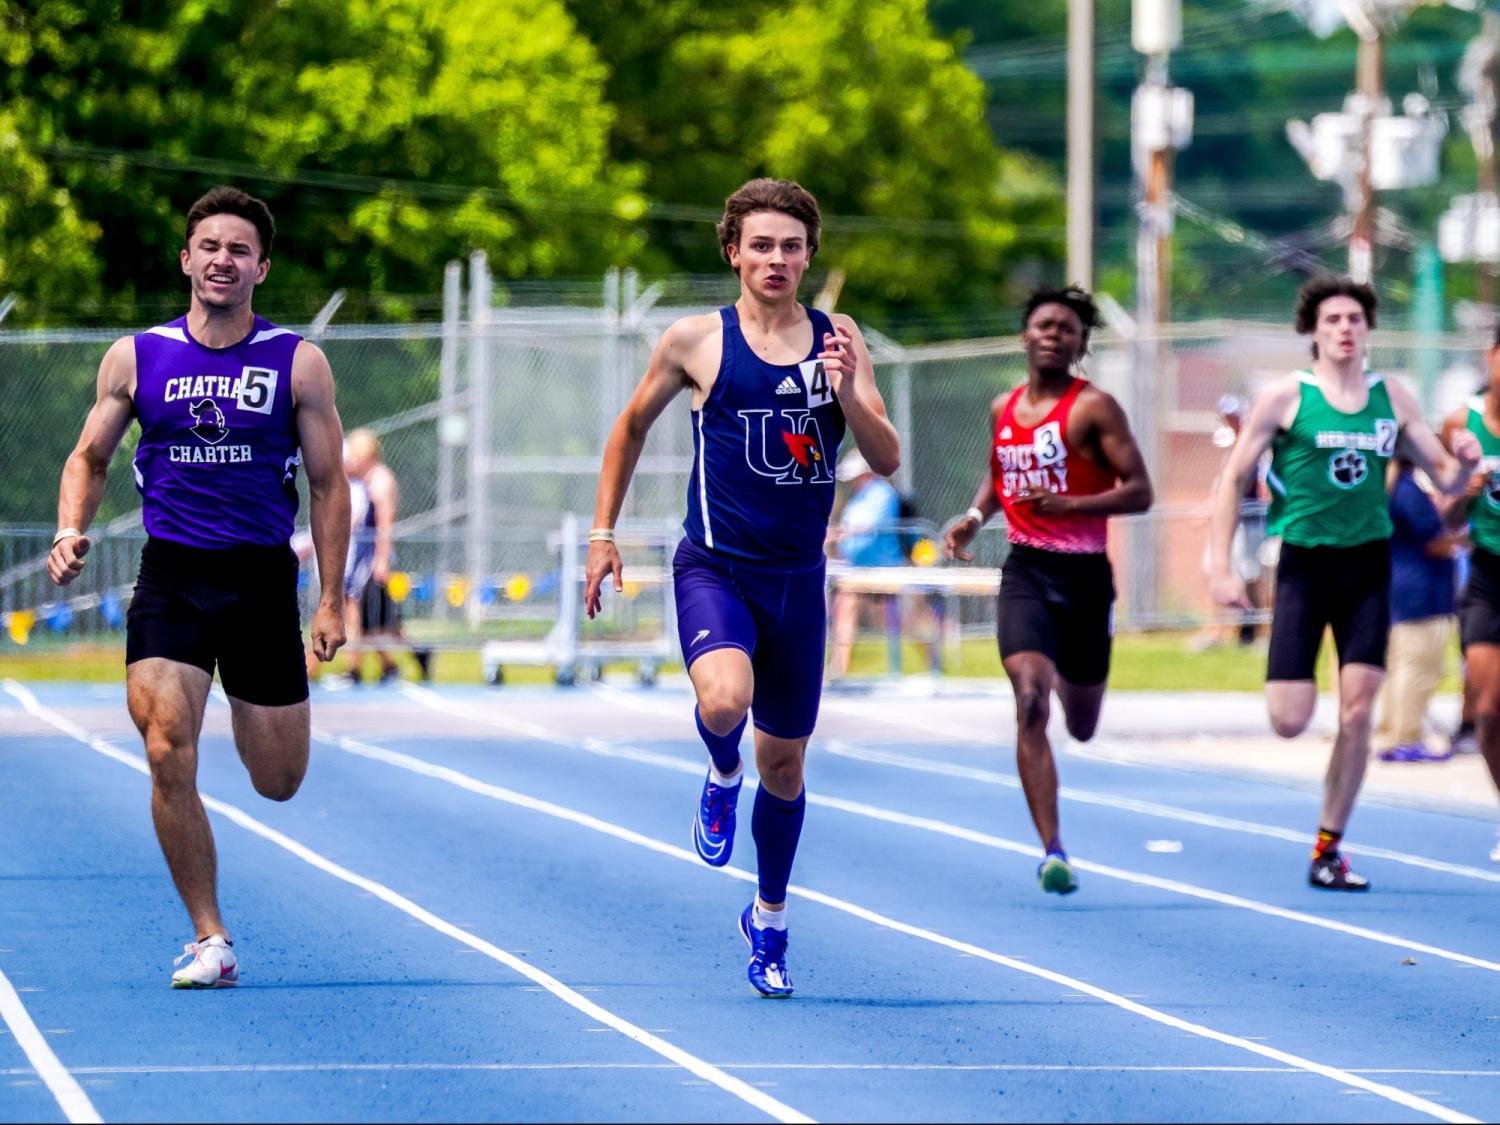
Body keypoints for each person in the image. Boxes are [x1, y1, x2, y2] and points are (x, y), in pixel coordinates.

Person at [583, 178, 900, 997]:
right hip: (716, 567)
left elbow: (887, 454)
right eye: (761, 244)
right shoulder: (696, 340)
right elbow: (628, 427)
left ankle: (769, 917)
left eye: (792, 246)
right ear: (733, 251)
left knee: (787, 768)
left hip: (799, 580)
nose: (777, 259)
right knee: (724, 701)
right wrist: (603, 534)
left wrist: (844, 392)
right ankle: (721, 771)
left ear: (809, 256)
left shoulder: (840, 337)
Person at [46, 186, 350, 986]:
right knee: (165, 749)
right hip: (172, 576)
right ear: (187, 259)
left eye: (239, 249)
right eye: (209, 246)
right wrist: (69, 526)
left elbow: (328, 484)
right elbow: (88, 456)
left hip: (257, 582)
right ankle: (210, 937)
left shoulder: (297, 362)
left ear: (262, 267)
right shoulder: (138, 356)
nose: (223, 259)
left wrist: (329, 596)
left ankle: (254, 732)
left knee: (278, 781)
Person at [1210, 275, 1478, 892]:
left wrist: (1463, 457)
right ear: (1313, 331)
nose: (1345, 328)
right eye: (1332, 319)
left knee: (1358, 711)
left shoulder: (1394, 397)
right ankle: (1297, 706)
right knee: (1289, 719)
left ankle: (1328, 848)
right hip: (1304, 566)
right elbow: (1231, 479)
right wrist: (1218, 565)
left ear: (1368, 329)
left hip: (1367, 567)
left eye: (1355, 318)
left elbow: (1442, 476)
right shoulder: (1285, 398)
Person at [943, 285, 1153, 896]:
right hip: (1027, 571)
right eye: (1043, 325)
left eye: (1066, 328)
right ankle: (1053, 851)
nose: (1053, 335)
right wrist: (975, 517)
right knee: (1030, 701)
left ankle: (1065, 667)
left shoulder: (1095, 409)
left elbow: (1141, 491)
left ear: (1081, 343)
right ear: (1025, 336)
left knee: (1082, 726)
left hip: (1085, 578)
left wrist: (1071, 502)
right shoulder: (1002, 406)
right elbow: (997, 470)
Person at [1440, 339, 1500, 860]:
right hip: (1487, 576)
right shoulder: (1464, 424)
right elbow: (1447, 516)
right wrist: (1469, 488)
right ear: (1492, 357)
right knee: (1488, 709)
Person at [1372, 457, 1457, 763]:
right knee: (1418, 668)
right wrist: (1464, 539)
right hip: (1423, 591)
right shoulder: (1407, 489)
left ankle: (1391, 734)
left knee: (1399, 667)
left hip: (1399, 587)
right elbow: (1433, 541)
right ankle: (1406, 736)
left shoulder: (1388, 487)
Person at [339, 428, 430, 684]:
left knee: (364, 613)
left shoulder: (381, 479)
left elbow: (385, 522)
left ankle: (357, 669)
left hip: (372, 557)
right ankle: (412, 656)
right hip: (362, 555)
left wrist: (382, 559)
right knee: (379, 618)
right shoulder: (365, 480)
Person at [829, 449, 905, 677]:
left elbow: (865, 527)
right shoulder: (858, 497)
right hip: (857, 570)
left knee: (899, 620)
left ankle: (930, 665)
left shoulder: (883, 493)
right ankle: (837, 671)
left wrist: (837, 534)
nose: (852, 481)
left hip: (884, 569)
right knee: (844, 609)